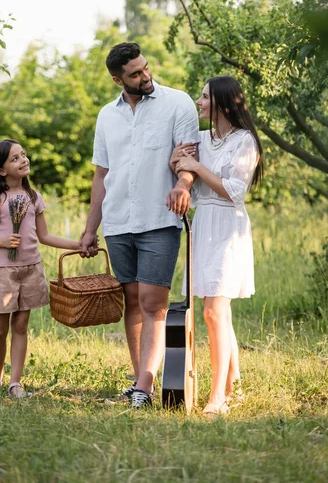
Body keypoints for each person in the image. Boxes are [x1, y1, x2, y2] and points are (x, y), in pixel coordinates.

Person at [79, 42, 199, 409]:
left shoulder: (178, 103)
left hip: (159, 220)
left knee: (153, 304)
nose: (145, 76)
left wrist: (183, 184)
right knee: (131, 302)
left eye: (145, 68)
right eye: (135, 73)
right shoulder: (106, 116)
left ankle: (145, 387)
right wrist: (89, 229)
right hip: (117, 222)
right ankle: (139, 383)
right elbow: (102, 174)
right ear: (118, 79)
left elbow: (188, 156)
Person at [169, 75, 264, 417]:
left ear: (223, 103)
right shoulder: (199, 139)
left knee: (212, 311)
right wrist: (179, 165)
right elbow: (187, 178)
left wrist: (195, 166)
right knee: (216, 311)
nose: (199, 102)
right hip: (202, 225)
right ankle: (233, 382)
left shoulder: (245, 141)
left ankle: (217, 398)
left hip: (228, 227)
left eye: (205, 97)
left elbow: (235, 191)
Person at [0, 139, 80, 398]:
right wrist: (2, 242)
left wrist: (78, 244)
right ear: (1, 170)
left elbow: (45, 236)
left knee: (20, 327)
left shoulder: (34, 197)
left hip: (31, 268)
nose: (23, 160)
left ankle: (15, 382)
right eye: (15, 159)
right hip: (3, 271)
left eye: (23, 155)